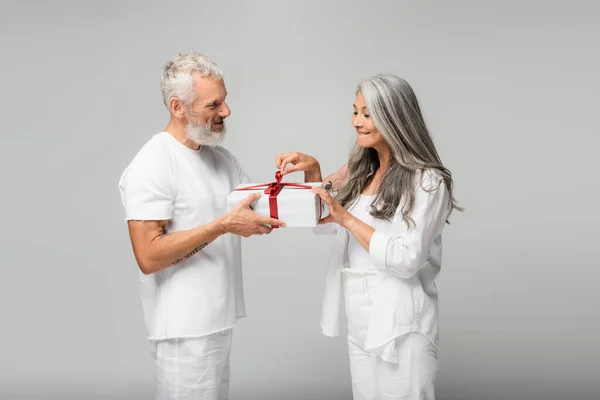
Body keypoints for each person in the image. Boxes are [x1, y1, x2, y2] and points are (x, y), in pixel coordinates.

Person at [276, 73, 462, 400]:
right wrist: (314, 171)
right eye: (355, 111)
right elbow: (325, 223)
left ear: (394, 118)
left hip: (401, 321)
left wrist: (346, 217)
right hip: (360, 315)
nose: (356, 122)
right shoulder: (361, 171)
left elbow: (407, 259)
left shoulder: (428, 181)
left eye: (367, 113)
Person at [118, 51, 285, 400]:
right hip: (182, 328)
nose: (226, 111)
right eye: (214, 104)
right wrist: (222, 226)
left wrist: (315, 176)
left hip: (217, 321)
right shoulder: (153, 163)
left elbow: (265, 207)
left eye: (224, 101)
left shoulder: (219, 158)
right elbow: (148, 256)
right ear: (178, 107)